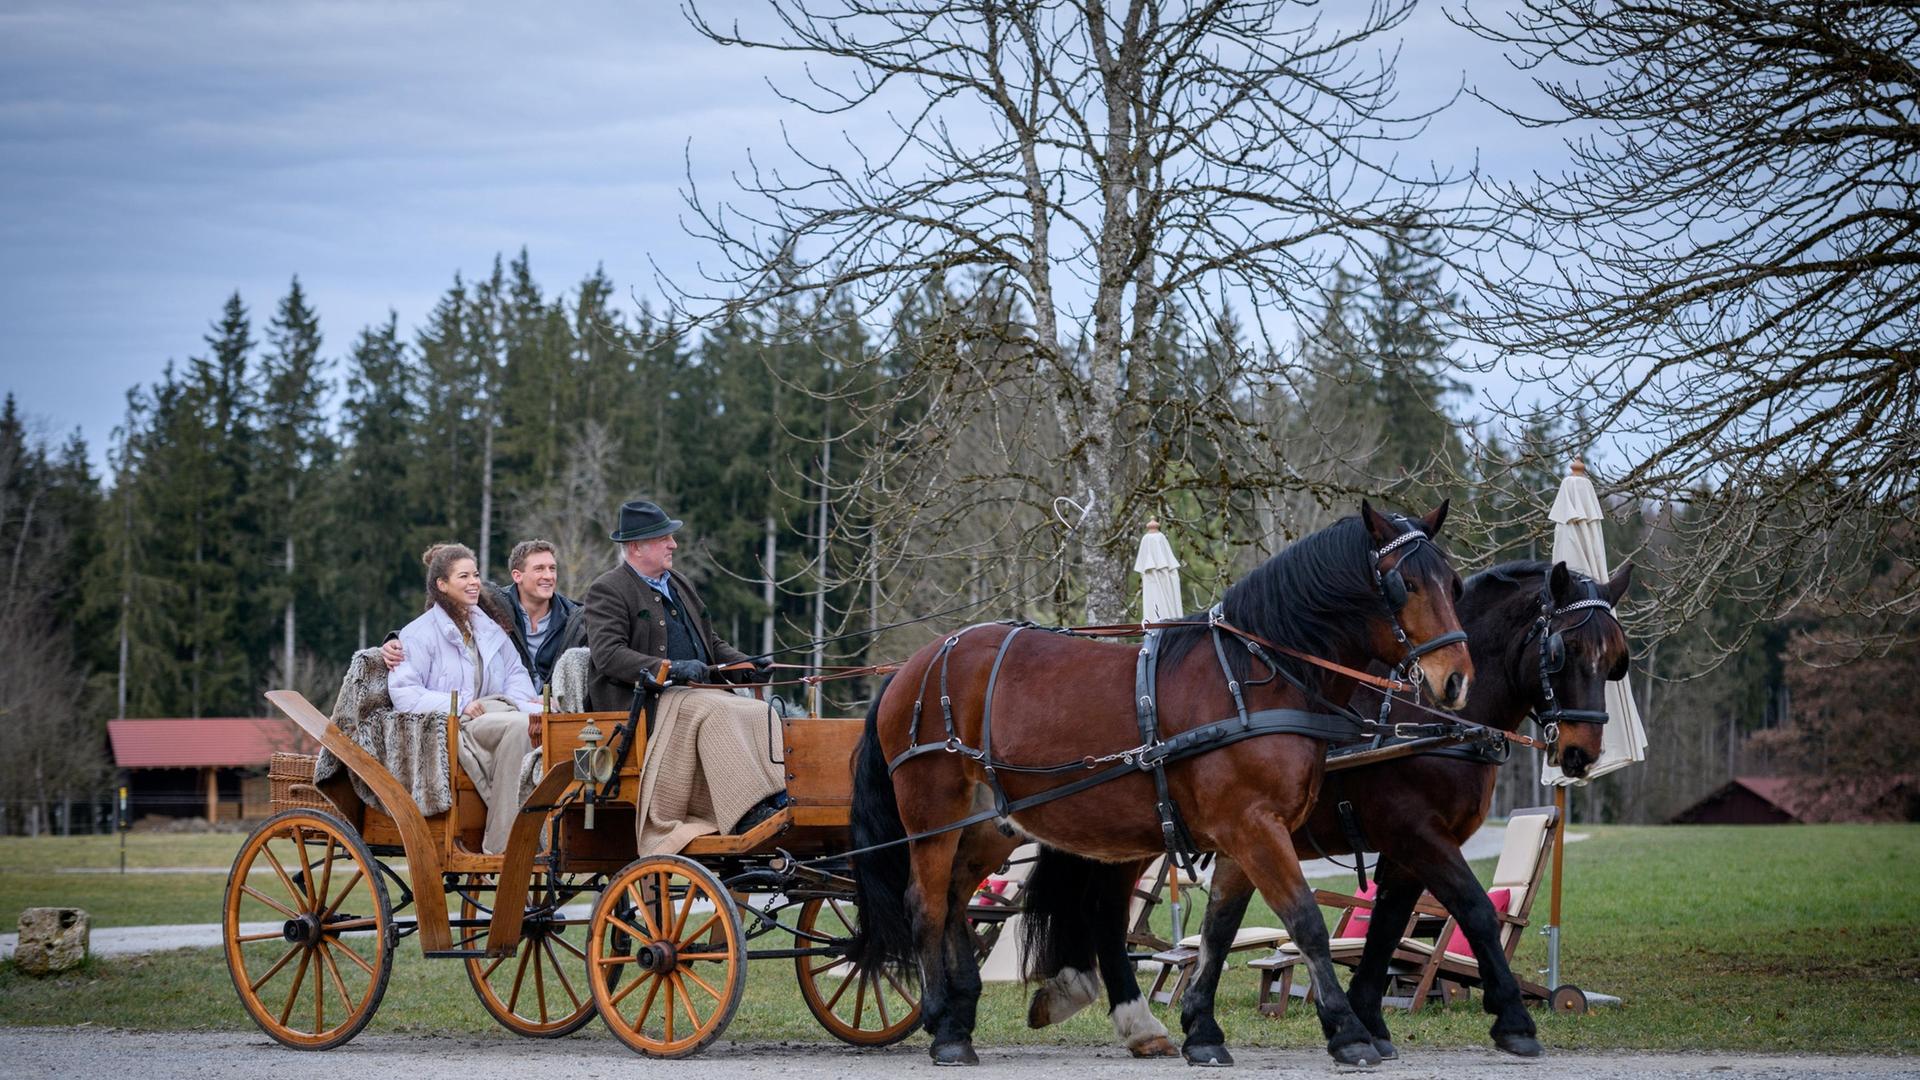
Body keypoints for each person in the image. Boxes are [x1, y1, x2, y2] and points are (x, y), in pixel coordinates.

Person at [585, 499, 787, 839]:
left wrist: (745, 667)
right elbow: (609, 655)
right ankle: (743, 810)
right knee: (716, 710)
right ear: (636, 547)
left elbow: (711, 644)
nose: (673, 544)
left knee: (758, 711)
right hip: (644, 705)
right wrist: (670, 668)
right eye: (665, 538)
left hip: (688, 698)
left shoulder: (678, 583)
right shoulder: (608, 589)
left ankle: (775, 797)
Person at [389, 542, 544, 855]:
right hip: (453, 728)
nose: (474, 582)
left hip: (492, 717)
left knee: (541, 725)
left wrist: (532, 707)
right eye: (464, 576)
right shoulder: (418, 634)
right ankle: (504, 845)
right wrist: (456, 705)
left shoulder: (489, 630)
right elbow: (404, 693)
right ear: (441, 585)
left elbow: (515, 678)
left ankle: (544, 833)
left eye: (475, 575)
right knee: (518, 729)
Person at [383, 539, 584, 691]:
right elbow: (442, 618)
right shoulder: (492, 604)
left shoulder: (575, 619)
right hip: (510, 705)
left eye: (552, 569)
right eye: (539, 569)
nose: (548, 576)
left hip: (557, 711)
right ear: (517, 575)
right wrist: (396, 638)